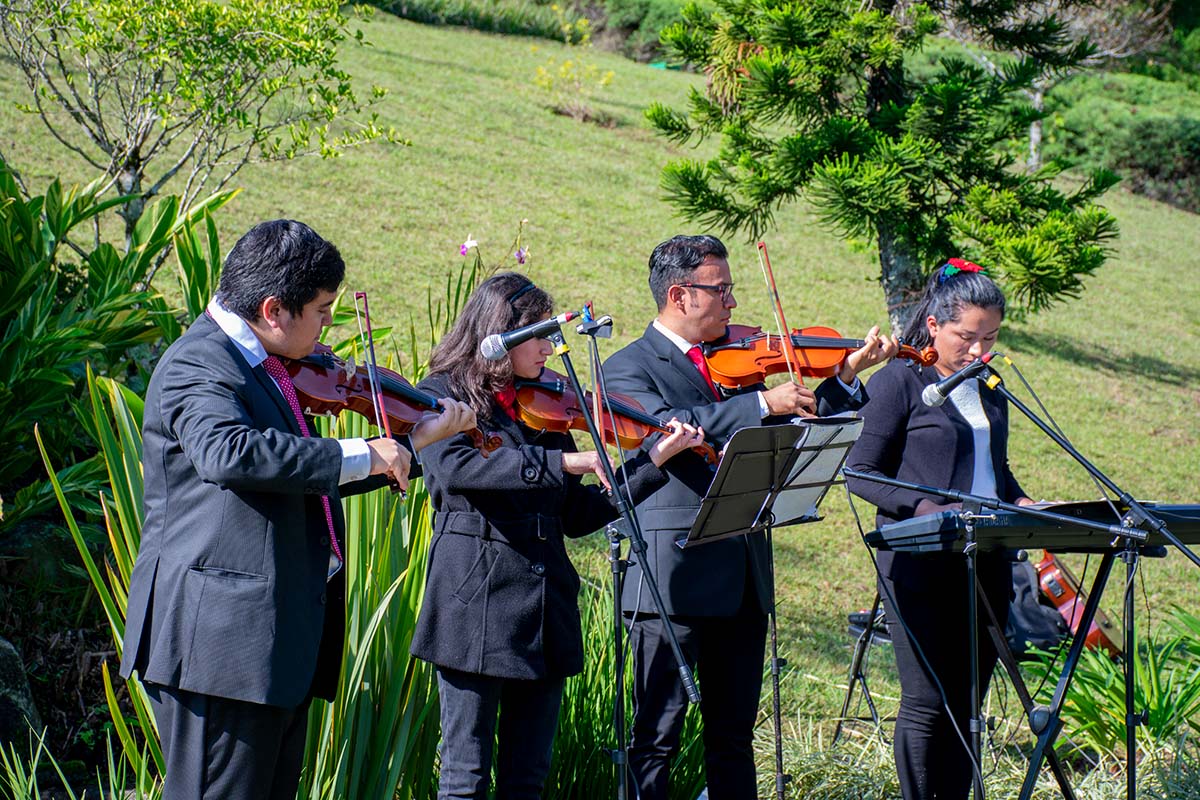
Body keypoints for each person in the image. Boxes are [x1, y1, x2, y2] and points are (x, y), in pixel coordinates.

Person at [120, 219, 477, 800]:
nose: (328, 324)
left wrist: (410, 446)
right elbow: (230, 454)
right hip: (220, 652)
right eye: (321, 308)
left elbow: (298, 479)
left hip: (270, 650)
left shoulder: (265, 363)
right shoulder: (199, 363)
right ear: (273, 309)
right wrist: (363, 451)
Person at [602, 234, 898, 799]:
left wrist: (844, 379)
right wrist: (763, 403)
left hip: (742, 578)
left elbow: (796, 433)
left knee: (734, 738)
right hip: (673, 578)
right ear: (679, 295)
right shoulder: (627, 368)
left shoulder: (735, 366)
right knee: (655, 739)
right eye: (723, 291)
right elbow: (670, 427)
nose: (734, 304)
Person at [409, 272, 704, 800]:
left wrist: (652, 461)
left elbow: (580, 515)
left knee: (528, 780)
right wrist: (562, 461)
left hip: (543, 611)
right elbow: (455, 469)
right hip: (474, 603)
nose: (549, 347)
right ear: (504, 334)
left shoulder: (545, 408)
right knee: (465, 778)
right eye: (539, 336)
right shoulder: (442, 394)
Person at [845, 259, 1035, 800]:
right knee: (929, 700)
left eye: (991, 337)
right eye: (967, 337)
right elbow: (859, 472)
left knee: (969, 702)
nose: (978, 351)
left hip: (987, 560)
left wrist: (1021, 500)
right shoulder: (901, 381)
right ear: (933, 324)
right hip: (920, 565)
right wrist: (924, 507)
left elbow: (992, 469)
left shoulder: (990, 386)